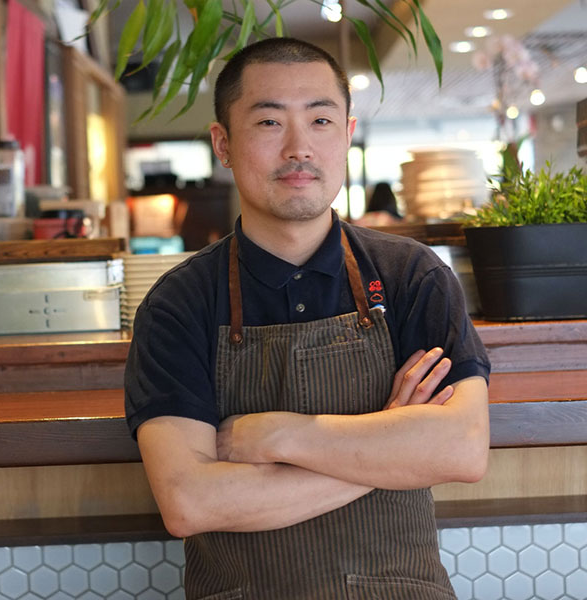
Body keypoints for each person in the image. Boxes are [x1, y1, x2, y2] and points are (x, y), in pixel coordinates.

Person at [125, 37, 491, 600]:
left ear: (345, 135)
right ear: (223, 143)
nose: (299, 147)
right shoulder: (180, 303)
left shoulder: (409, 276)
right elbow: (190, 502)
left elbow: (460, 449)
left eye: (321, 120)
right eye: (269, 122)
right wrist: (390, 442)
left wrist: (276, 434)